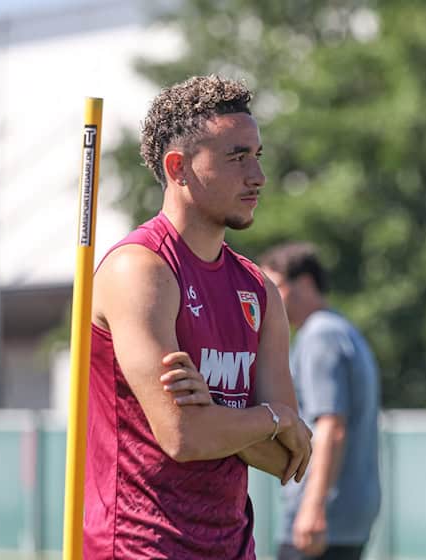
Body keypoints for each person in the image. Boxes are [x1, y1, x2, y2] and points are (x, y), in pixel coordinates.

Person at [85, 75, 313, 559]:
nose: (258, 176)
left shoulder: (258, 290)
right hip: (137, 547)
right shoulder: (141, 270)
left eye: (257, 155)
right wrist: (267, 417)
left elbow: (288, 458)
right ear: (179, 168)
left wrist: (220, 415)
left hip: (231, 548)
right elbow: (184, 437)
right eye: (236, 157)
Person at [259, 242, 381, 560]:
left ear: (305, 284)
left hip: (322, 517)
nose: (267, 298)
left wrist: (313, 507)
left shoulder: (319, 336)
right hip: (348, 514)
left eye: (274, 287)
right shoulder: (343, 330)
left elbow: (331, 426)